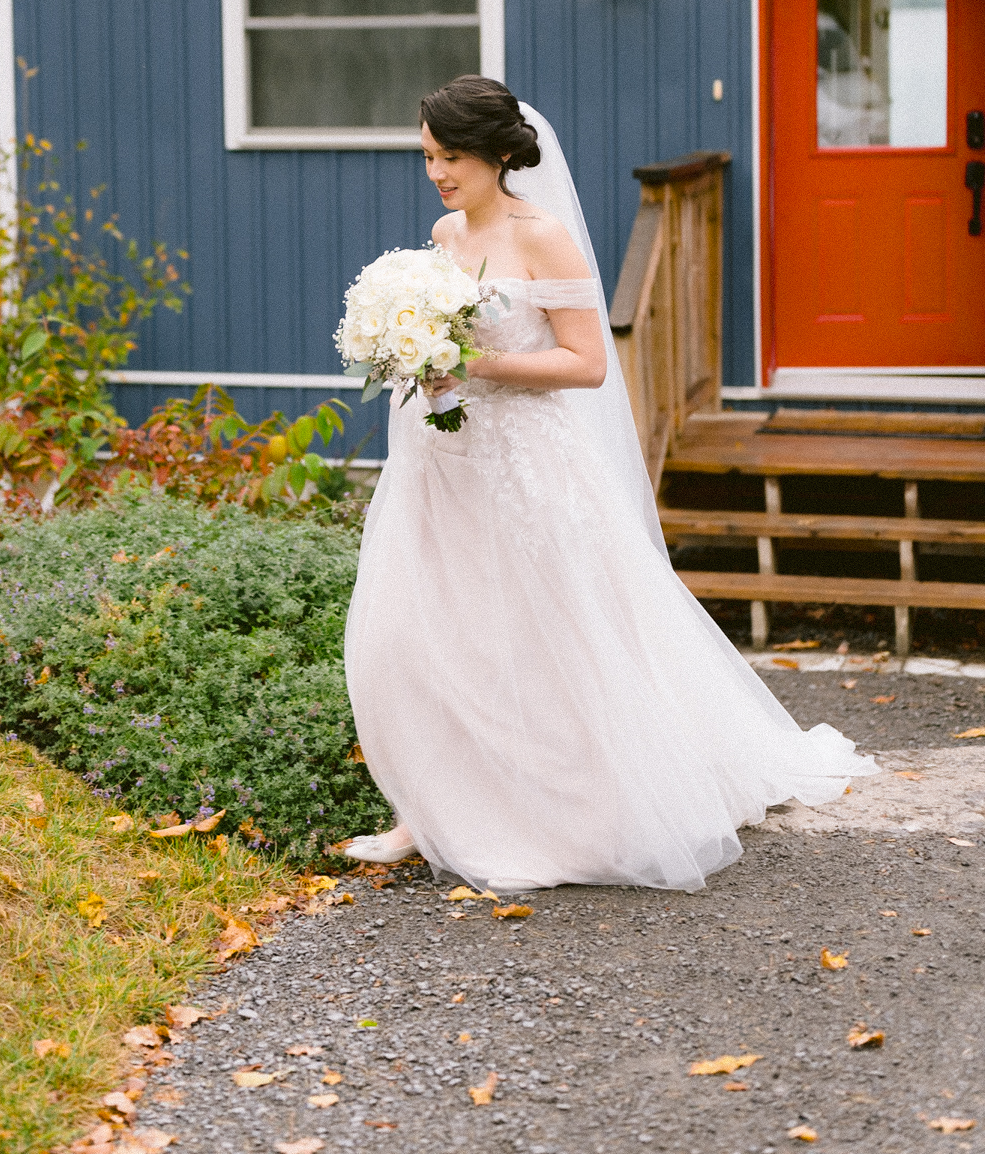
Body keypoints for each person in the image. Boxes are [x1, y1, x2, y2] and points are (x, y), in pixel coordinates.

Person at [341, 75, 875, 891]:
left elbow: (586, 364)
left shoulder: (543, 236)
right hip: (441, 461)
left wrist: (474, 362)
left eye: (450, 155)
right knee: (425, 633)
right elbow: (433, 342)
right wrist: (414, 362)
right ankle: (428, 807)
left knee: (538, 636)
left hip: (526, 467)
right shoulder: (445, 237)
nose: (438, 171)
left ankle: (576, 810)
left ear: (498, 154)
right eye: (428, 156)